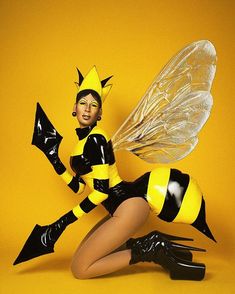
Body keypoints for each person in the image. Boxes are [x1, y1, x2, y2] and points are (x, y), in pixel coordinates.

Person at [14, 66, 214, 281]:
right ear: (74, 107)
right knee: (83, 258)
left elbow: (100, 192)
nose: (88, 109)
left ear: (100, 113)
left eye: (94, 105)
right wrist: (53, 159)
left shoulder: (97, 140)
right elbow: (80, 188)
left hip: (128, 207)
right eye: (83, 103)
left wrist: (62, 222)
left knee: (81, 269)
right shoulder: (82, 144)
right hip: (121, 208)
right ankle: (152, 246)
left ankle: (153, 249)